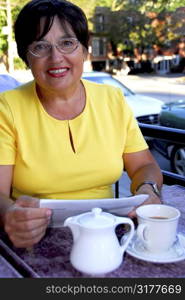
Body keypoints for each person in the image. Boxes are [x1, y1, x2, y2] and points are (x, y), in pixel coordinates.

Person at [0, 0, 163, 248]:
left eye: (67, 43)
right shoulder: (7, 107)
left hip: (108, 234)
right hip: (34, 240)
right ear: (26, 57)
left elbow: (144, 166)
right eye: (40, 46)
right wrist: (8, 215)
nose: (56, 58)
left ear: (84, 51)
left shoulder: (112, 99)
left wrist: (149, 190)